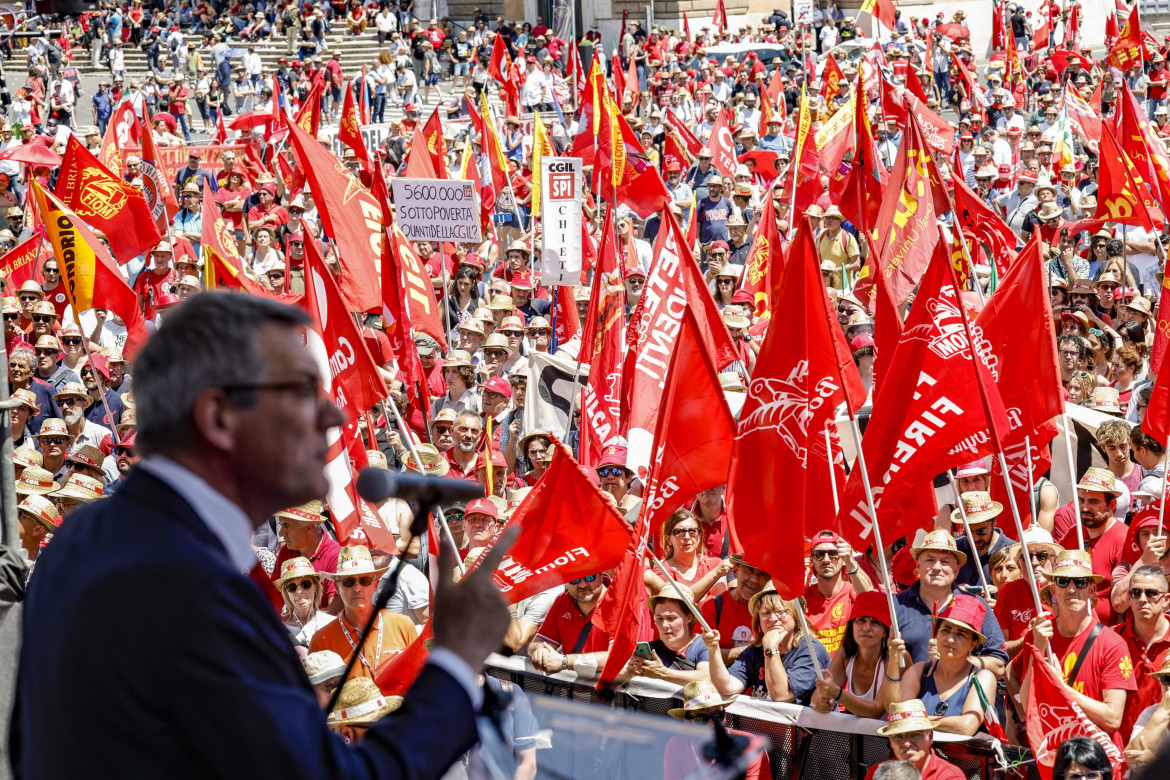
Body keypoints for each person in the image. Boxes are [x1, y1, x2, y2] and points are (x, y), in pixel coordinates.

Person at [16, 292, 520, 778]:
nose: (332, 416)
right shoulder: (196, 591)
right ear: (217, 417)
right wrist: (456, 666)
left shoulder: (83, 537)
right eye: (301, 394)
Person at [1029, 549, 1137, 745]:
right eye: (1063, 581)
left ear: (1091, 590)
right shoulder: (1041, 634)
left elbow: (1112, 719)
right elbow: (1026, 698)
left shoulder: (1112, 644)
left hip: (1094, 759)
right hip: (1051, 752)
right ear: (1053, 591)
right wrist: (1037, 648)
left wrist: (1060, 687)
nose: (1072, 589)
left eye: (1080, 582)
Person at [893, 531, 1007, 674]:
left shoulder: (976, 605)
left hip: (963, 695)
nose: (937, 567)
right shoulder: (894, 606)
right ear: (918, 566)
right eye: (930, 560)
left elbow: (998, 666)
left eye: (945, 561)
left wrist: (956, 659)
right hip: (908, 693)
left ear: (956, 570)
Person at [884, 594, 997, 736]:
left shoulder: (983, 677)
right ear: (936, 634)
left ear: (973, 644)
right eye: (946, 630)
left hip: (962, 757)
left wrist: (914, 719)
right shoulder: (920, 671)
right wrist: (893, 661)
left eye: (961, 634)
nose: (950, 639)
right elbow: (895, 711)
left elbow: (967, 726)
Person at [704, 588, 831, 704]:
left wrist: (771, 648)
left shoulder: (811, 649)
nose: (773, 618)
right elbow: (727, 687)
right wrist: (713, 649)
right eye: (766, 613)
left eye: (781, 612)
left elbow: (782, 695)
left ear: (796, 616)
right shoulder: (754, 651)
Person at [308, 545, 418, 678]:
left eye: (364, 580)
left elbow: (420, 679)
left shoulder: (403, 625)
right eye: (348, 582)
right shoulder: (321, 641)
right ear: (337, 587)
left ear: (376, 584)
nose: (357, 588)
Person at [663, 680, 773, 780]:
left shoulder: (749, 745)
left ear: (725, 715)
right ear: (687, 721)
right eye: (702, 719)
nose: (712, 723)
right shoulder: (676, 745)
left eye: (717, 716)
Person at [810, 590, 894, 719]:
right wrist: (822, 703)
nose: (866, 628)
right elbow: (816, 697)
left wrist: (837, 693)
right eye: (861, 620)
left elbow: (876, 711)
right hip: (858, 737)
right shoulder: (846, 652)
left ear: (885, 631)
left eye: (875, 622)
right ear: (852, 625)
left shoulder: (895, 657)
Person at [1111, 564, 1170, 741]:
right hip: (1120, 755)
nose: (1142, 599)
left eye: (1151, 593)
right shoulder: (1110, 639)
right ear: (1129, 597)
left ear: (1166, 599)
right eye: (1136, 593)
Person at [528, 572, 616, 678]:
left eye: (590, 576)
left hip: (610, 691)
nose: (582, 585)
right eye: (574, 579)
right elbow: (536, 643)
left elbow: (617, 658)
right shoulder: (562, 601)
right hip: (571, 690)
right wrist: (542, 650)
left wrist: (564, 662)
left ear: (601, 575)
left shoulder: (619, 603)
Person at [803, 529, 873, 654]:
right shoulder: (803, 599)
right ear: (812, 560)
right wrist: (796, 588)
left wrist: (850, 561)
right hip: (815, 671)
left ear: (842, 558)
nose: (826, 560)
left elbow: (871, 600)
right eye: (819, 554)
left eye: (833, 554)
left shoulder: (854, 592)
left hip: (849, 669)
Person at [625, 588, 711, 685]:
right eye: (659, 618)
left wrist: (663, 673)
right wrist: (629, 672)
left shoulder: (704, 643)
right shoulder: (650, 650)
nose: (664, 625)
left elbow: (706, 676)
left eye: (671, 618)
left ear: (689, 617)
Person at [864, 700, 966, 780]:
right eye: (898, 736)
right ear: (890, 741)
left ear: (930, 736)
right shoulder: (877, 772)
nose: (907, 743)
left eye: (915, 734)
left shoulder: (951, 777)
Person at [645, 509, 732, 602]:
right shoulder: (662, 570)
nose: (687, 537)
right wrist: (715, 573)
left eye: (692, 531)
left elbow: (719, 605)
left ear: (699, 536)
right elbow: (681, 604)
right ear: (669, 539)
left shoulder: (715, 565)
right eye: (679, 532)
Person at [701, 553, 771, 664]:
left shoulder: (775, 612)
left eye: (762, 574)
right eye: (749, 570)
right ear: (735, 571)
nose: (754, 580)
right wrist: (753, 650)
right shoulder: (711, 606)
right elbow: (702, 656)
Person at [272, 500, 341, 608]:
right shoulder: (286, 551)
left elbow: (333, 611)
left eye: (286, 526)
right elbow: (272, 598)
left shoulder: (335, 556)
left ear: (309, 527)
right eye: (281, 525)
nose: (281, 533)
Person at [951, 491, 1016, 590]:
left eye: (981, 531)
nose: (975, 538)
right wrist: (955, 591)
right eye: (968, 532)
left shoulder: (1014, 550)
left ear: (994, 522)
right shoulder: (953, 549)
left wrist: (1000, 593)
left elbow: (1023, 592)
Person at [276, 556, 336, 647]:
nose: (299, 591)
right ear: (286, 592)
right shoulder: (277, 629)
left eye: (305, 584)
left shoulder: (331, 623)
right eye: (291, 587)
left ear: (315, 586)